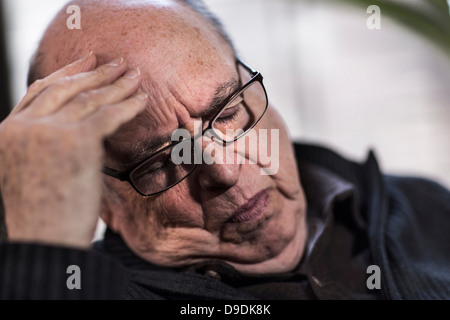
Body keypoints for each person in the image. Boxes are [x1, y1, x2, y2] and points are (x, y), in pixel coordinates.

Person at [0, 0, 449, 300]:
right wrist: (44, 251)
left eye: (226, 112)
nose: (225, 170)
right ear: (102, 204)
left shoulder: (422, 205)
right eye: (163, 160)